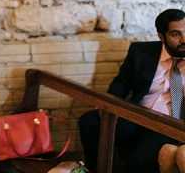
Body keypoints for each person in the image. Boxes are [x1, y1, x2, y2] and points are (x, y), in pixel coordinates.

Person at [79, 9, 185, 172]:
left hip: (169, 122)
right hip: (138, 114)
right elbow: (121, 83)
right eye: (176, 34)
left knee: (138, 161)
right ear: (161, 36)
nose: (184, 39)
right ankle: (98, 169)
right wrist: (106, 104)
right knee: (89, 121)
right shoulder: (141, 52)